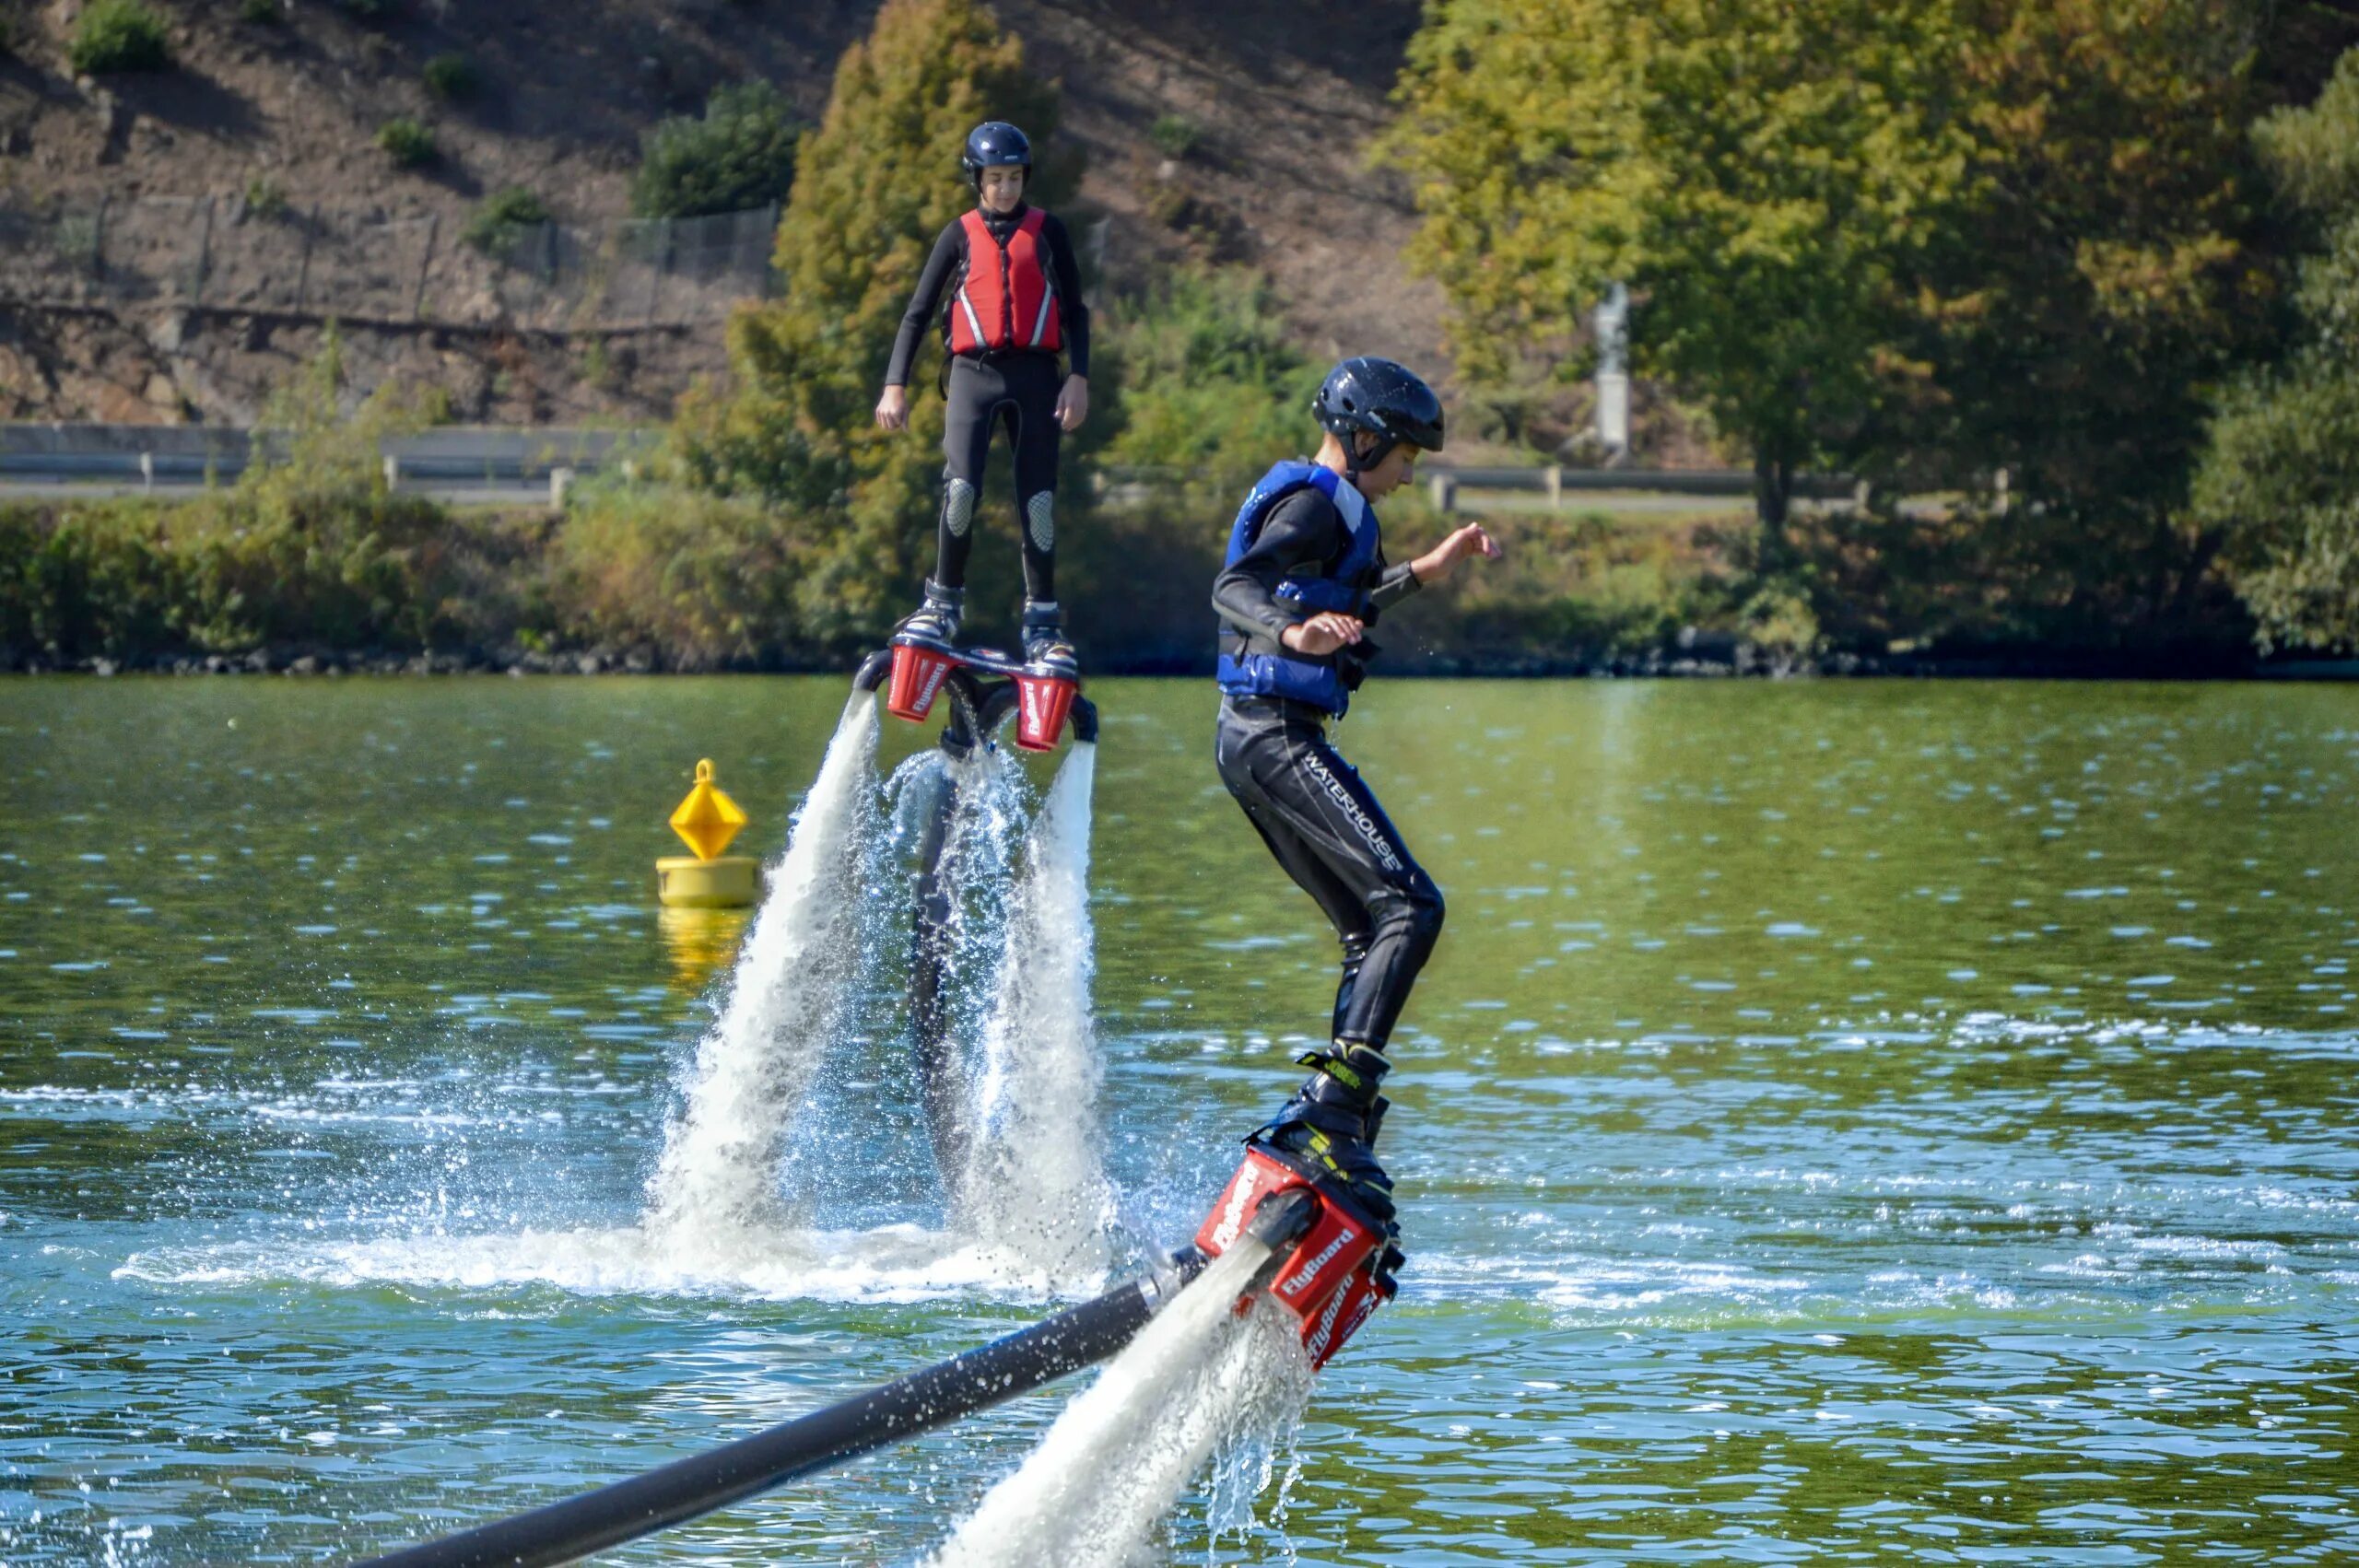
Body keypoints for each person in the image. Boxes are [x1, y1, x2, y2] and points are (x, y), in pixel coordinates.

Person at [1212, 356, 1502, 1222]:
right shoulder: (1307, 502)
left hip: (1255, 740)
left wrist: (1425, 571)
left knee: (1366, 927)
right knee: (1412, 908)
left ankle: (1329, 1133)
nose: (1412, 473)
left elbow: (1350, 597)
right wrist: (1292, 630)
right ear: (1363, 436)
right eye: (1405, 454)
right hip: (1271, 732)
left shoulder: (1348, 518)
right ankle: (1337, 1107)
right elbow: (1236, 587)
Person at [875, 121, 1090, 673]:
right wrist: (894, 385)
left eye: (1015, 178)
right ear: (977, 179)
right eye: (995, 179)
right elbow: (917, 314)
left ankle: (1043, 623)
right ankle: (942, 605)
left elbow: (1076, 310)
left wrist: (1079, 377)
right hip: (973, 375)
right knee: (962, 490)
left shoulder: (1049, 232)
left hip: (1039, 377)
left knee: (1038, 504)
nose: (1006, 189)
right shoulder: (957, 234)